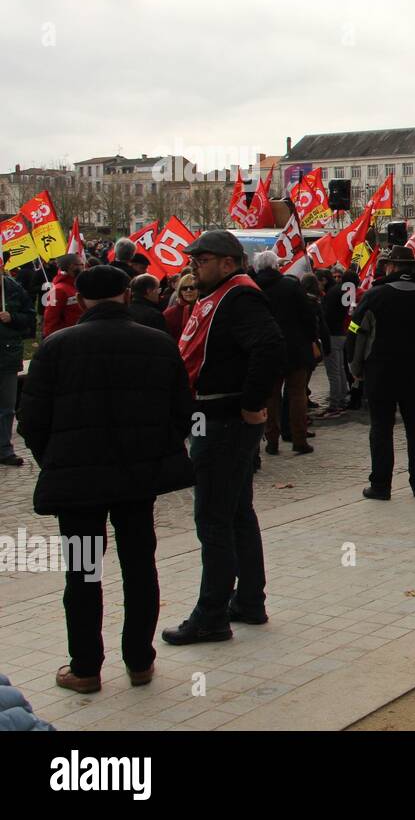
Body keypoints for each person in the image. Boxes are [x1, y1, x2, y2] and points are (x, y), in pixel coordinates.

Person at [17, 265, 193, 694]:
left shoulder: (56, 347)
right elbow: (182, 412)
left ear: (81, 301)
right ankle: (139, 660)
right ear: (126, 296)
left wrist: (54, 460)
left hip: (77, 483)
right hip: (137, 478)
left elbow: (31, 420)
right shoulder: (157, 344)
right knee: (139, 567)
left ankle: (86, 667)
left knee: (82, 573)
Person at [163, 230, 283, 646]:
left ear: (229, 263)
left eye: (204, 258)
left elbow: (269, 347)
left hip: (224, 420)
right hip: (216, 418)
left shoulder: (240, 297)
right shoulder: (222, 295)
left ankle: (211, 615)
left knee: (213, 518)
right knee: (235, 512)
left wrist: (252, 404)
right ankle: (248, 599)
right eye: (194, 258)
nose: (195, 264)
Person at [348, 246, 415, 499]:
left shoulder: (373, 296)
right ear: (414, 268)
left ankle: (380, 486)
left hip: (380, 373)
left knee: (381, 428)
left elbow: (356, 334)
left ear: (391, 267)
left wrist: (356, 369)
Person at [251, 251, 316, 456]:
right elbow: (308, 315)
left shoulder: (252, 288)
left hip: (266, 349)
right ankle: (299, 439)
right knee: (297, 395)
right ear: (276, 266)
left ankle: (271, 441)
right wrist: (311, 339)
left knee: (270, 397)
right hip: (295, 348)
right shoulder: (290, 285)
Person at [0, 266, 35, 468]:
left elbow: (30, 320)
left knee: (6, 406)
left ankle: (4, 448)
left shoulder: (13, 289)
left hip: (7, 355)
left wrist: (12, 318)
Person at [320, 266, 356, 417]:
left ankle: (335, 404)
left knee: (334, 371)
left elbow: (326, 315)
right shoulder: (347, 291)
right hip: (342, 333)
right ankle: (341, 398)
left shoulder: (333, 292)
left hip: (333, 335)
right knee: (340, 369)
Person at [42, 253, 85, 338]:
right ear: (72, 266)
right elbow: (50, 319)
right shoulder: (58, 290)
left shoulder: (78, 285)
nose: (84, 267)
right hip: (67, 338)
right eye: (82, 264)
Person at [164, 272, 197, 341]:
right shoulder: (169, 314)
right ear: (180, 291)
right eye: (184, 288)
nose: (188, 290)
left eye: (192, 287)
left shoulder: (205, 309)